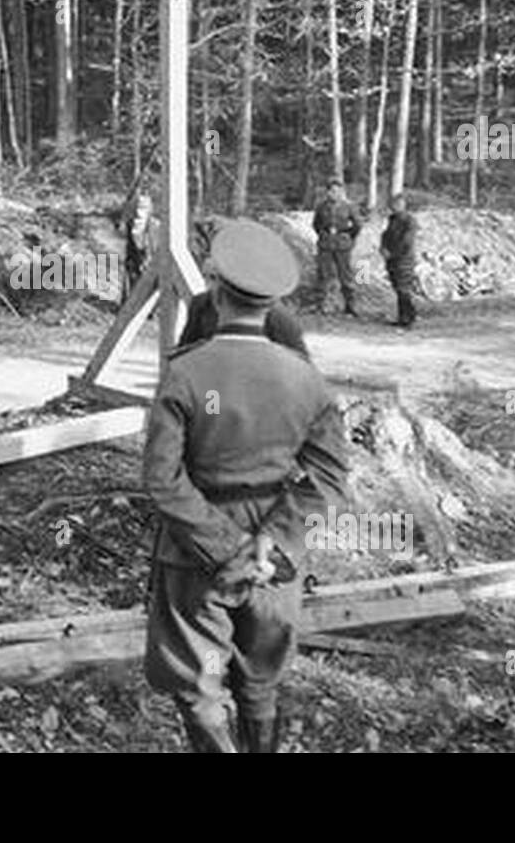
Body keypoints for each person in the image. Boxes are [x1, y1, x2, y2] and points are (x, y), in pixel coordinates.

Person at [144, 220, 349, 753]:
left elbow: (163, 480)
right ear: (275, 302)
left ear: (216, 289)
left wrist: (224, 545)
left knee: (201, 678)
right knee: (260, 677)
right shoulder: (307, 379)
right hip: (274, 559)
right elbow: (328, 475)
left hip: (196, 555)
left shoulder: (186, 373)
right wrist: (272, 540)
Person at [177, 220, 310, 360]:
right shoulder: (201, 305)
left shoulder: (278, 318)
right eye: (209, 277)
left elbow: (300, 368)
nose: (210, 282)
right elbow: (183, 358)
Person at [313, 178, 361, 317]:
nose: (334, 193)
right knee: (323, 275)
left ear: (341, 192)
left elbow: (357, 225)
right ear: (327, 192)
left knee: (346, 276)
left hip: (342, 244)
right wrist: (324, 234)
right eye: (331, 190)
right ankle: (321, 305)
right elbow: (316, 224)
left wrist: (348, 236)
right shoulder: (321, 207)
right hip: (326, 244)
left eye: (337, 190)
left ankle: (351, 306)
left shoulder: (349, 206)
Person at [379, 193, 418, 329]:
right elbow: (385, 235)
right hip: (392, 259)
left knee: (404, 289)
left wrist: (393, 253)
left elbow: (406, 241)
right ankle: (403, 317)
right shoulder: (392, 219)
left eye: (398, 204)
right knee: (397, 288)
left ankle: (409, 317)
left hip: (404, 259)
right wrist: (383, 248)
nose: (395, 207)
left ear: (404, 205)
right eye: (393, 204)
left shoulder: (409, 220)